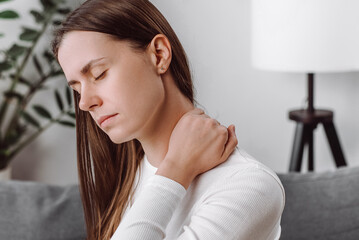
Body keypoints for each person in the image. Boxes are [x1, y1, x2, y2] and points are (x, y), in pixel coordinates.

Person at [52, 0, 285, 239]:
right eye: (78, 89)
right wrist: (176, 169)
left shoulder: (249, 186)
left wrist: (174, 171)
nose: (84, 103)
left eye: (98, 74)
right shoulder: (129, 175)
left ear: (159, 55)